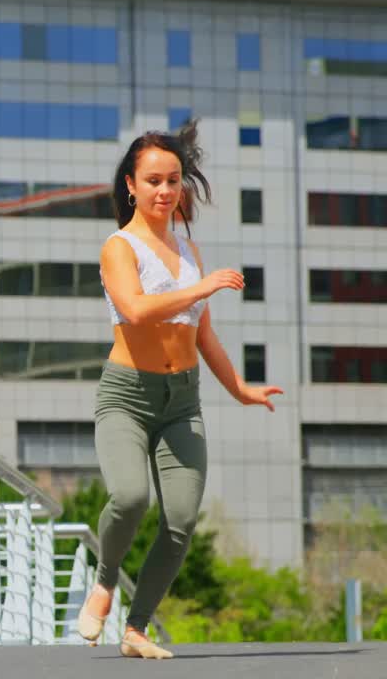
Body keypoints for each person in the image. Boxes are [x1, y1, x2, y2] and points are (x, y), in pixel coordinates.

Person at [74, 121, 283, 659]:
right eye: (153, 181)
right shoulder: (119, 247)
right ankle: (105, 578)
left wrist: (240, 389)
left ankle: (136, 628)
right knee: (130, 497)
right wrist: (203, 286)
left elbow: (202, 334)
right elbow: (136, 310)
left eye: (173, 180)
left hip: (182, 401)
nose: (165, 191)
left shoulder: (189, 250)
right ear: (131, 185)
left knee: (182, 520)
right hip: (126, 396)